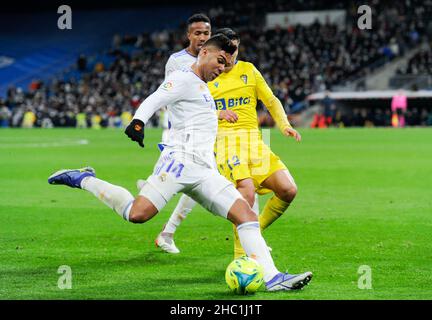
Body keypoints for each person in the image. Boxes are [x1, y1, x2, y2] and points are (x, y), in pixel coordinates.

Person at [48, 35, 312, 291]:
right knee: (137, 214)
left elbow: (199, 114)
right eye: (219, 61)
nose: (221, 68)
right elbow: (154, 99)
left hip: (205, 171)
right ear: (204, 52)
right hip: (178, 164)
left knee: (245, 214)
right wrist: (138, 122)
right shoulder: (183, 78)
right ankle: (83, 178)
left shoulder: (204, 86)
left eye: (225, 64)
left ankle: (273, 277)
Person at [206, 29, 302, 258]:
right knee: (246, 191)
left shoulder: (248, 70)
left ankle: (254, 233)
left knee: (288, 190)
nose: (231, 56)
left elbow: (270, 100)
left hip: (254, 142)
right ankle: (241, 257)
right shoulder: (207, 76)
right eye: (227, 51)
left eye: (235, 50)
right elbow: (191, 112)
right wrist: (218, 115)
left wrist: (284, 124)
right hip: (225, 142)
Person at [155, 15, 243, 254]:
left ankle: (168, 230)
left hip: (217, 131)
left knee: (208, 181)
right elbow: (178, 100)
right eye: (198, 33)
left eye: (206, 33)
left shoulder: (222, 62)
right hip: (187, 133)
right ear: (189, 35)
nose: (202, 37)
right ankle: (247, 235)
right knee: (207, 180)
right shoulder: (179, 62)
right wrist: (216, 113)